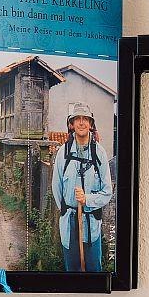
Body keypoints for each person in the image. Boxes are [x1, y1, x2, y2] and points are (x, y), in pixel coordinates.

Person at [50, 106, 112, 272]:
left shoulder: (99, 153)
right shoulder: (63, 153)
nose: (82, 122)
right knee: (72, 271)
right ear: (72, 124)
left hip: (91, 224)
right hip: (69, 222)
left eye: (85, 119)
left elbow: (107, 192)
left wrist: (87, 200)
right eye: (77, 119)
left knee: (94, 271)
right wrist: (66, 209)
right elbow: (56, 187)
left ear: (91, 124)